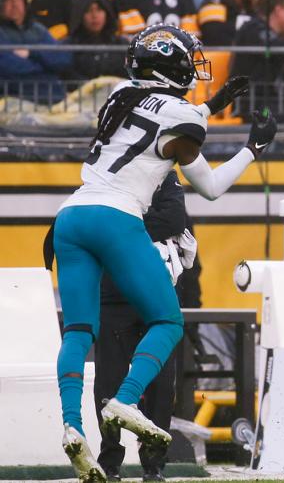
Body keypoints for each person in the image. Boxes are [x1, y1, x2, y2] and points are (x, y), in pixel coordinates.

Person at [50, 23, 274, 481]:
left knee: (77, 331)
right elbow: (207, 183)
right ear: (172, 64)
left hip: (71, 217)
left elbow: (157, 123)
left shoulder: (118, 95)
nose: (195, 66)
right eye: (189, 58)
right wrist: (252, 148)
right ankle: (126, 401)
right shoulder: (184, 117)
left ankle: (73, 428)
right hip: (117, 218)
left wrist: (212, 107)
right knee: (168, 321)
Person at [91, 171, 194, 481]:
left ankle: (153, 463)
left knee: (163, 384)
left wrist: (123, 231)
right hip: (116, 294)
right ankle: (110, 461)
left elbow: (175, 220)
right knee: (109, 380)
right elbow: (98, 226)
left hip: (155, 293)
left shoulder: (163, 172)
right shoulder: (103, 172)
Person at [0, 0, 72, 105]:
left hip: (52, 98)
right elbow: (10, 67)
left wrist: (31, 54)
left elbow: (62, 59)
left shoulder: (37, 29)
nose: (14, 3)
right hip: (13, 101)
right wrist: (46, 67)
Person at [62, 0, 126, 84]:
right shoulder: (69, 46)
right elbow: (68, 75)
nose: (94, 16)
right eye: (88, 10)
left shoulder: (120, 43)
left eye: (99, 10)